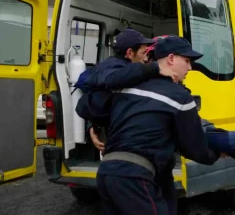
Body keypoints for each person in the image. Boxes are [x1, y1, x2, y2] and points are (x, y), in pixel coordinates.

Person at [95, 36, 222, 215]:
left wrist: (92, 127)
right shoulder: (178, 96)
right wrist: (216, 154)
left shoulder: (127, 85)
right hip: (135, 178)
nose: (190, 67)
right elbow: (194, 147)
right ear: (171, 59)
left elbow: (93, 107)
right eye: (186, 60)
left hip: (106, 173)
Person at [80, 29, 179, 152]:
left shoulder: (127, 70)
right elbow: (108, 84)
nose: (145, 58)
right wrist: (153, 68)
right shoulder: (113, 68)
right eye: (143, 53)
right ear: (130, 53)